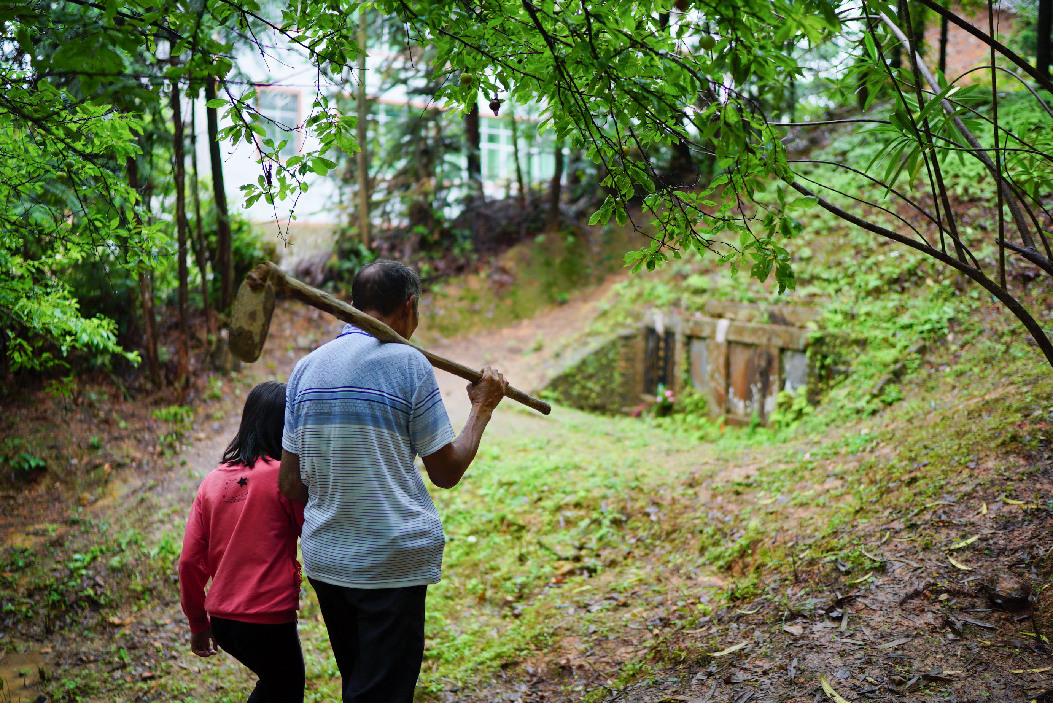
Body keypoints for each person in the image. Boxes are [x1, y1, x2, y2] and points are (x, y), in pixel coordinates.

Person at [279, 259, 508, 703]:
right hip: (389, 564)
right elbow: (446, 471)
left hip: (328, 563)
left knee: (360, 682)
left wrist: (339, 489)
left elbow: (290, 483)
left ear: (352, 304)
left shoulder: (305, 369)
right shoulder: (408, 363)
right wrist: (482, 408)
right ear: (409, 306)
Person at [179, 380, 306, 703]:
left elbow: (190, 561)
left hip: (224, 622)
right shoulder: (284, 479)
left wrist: (198, 622)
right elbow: (312, 532)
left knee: (277, 686)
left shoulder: (212, 481)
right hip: (268, 617)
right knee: (285, 689)